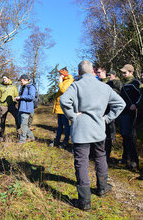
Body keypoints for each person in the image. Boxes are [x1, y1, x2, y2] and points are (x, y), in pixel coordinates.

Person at [60, 60, 125, 211]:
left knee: (81, 162)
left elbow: (64, 100)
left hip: (81, 130)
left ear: (79, 73)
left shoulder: (76, 85)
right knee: (100, 157)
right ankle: (102, 188)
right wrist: (107, 118)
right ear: (93, 72)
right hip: (98, 129)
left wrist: (72, 116)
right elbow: (120, 104)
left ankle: (84, 202)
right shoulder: (104, 86)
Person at [118, 64, 142, 170]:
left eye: (125, 72)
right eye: (122, 72)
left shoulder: (135, 83)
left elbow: (141, 95)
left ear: (131, 72)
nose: (123, 74)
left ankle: (134, 161)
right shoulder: (124, 84)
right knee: (124, 136)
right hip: (123, 113)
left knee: (129, 136)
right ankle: (127, 159)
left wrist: (136, 104)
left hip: (132, 114)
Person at [51, 67, 74, 148]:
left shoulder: (69, 80)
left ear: (64, 74)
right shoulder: (65, 80)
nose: (59, 76)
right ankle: (57, 140)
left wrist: (60, 81)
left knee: (66, 125)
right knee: (60, 125)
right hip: (59, 107)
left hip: (64, 107)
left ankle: (66, 141)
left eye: (61, 74)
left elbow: (63, 90)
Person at [105, 70, 123, 160]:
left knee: (110, 132)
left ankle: (108, 154)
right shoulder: (108, 83)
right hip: (106, 109)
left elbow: (120, 95)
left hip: (114, 110)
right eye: (108, 75)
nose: (109, 76)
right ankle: (105, 153)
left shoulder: (119, 83)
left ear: (114, 75)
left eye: (110, 75)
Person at [0, 73, 19, 142]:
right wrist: (0, 106)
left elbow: (16, 96)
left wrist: (15, 103)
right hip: (4, 106)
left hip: (12, 106)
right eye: (3, 78)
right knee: (2, 121)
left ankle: (19, 134)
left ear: (9, 78)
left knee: (18, 119)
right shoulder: (0, 86)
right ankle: (1, 136)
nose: (4, 79)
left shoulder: (13, 86)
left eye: (5, 78)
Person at [15, 74, 36, 143]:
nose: (20, 82)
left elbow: (32, 97)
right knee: (22, 123)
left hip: (26, 108)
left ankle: (22, 140)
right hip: (21, 108)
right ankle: (31, 136)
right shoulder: (23, 87)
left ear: (25, 80)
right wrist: (18, 98)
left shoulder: (31, 87)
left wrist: (21, 97)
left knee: (23, 125)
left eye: (21, 80)